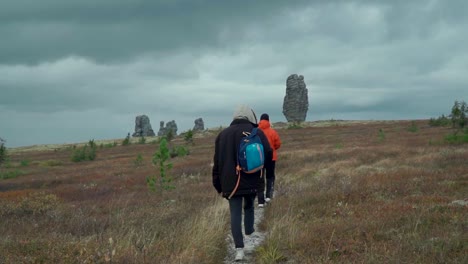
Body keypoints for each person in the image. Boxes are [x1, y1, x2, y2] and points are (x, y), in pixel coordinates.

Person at [212, 104, 272, 261]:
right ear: (250, 116)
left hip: (230, 182)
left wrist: (217, 184)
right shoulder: (256, 132)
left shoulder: (222, 135)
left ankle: (239, 249)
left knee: (235, 213)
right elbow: (269, 152)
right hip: (252, 178)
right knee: (250, 205)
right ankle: (250, 231)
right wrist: (262, 170)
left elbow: (217, 163)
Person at [258, 113, 281, 204]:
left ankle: (260, 198)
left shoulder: (256, 131)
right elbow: (278, 144)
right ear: (268, 120)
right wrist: (273, 149)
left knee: (260, 176)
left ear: (260, 120)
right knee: (270, 176)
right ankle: (269, 195)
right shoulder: (273, 132)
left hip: (259, 158)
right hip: (271, 157)